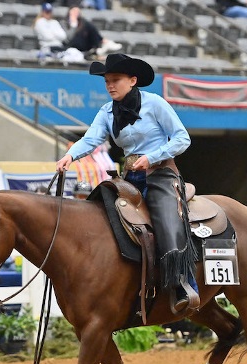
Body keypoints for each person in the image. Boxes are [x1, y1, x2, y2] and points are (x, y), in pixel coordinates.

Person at [55, 53, 198, 314]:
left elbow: (182, 138)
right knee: (101, 218)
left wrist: (151, 157)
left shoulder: (155, 104)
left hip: (161, 173)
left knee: (167, 220)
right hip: (130, 177)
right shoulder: (107, 111)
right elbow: (90, 139)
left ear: (132, 80)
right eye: (107, 81)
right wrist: (70, 155)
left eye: (116, 80)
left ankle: (185, 286)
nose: (110, 85)